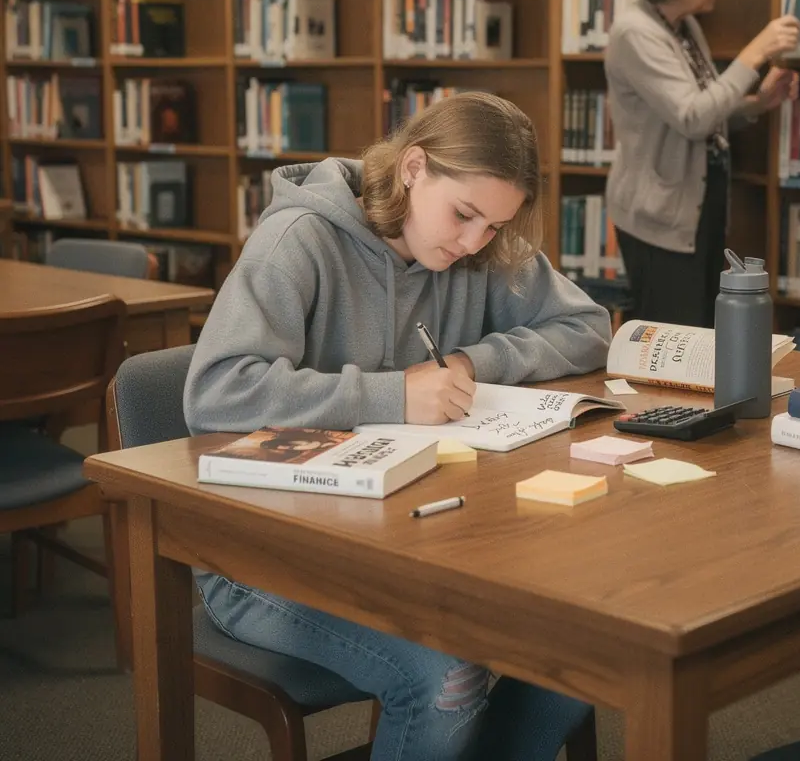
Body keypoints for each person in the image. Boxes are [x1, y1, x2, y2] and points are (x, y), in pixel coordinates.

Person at [183, 91, 611, 761]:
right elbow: (216, 392)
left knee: (590, 643)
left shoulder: (473, 251)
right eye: (464, 215)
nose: (474, 242)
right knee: (448, 678)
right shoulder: (301, 238)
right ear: (414, 168)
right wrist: (394, 397)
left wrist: (478, 358)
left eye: (494, 228)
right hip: (261, 557)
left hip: (411, 536)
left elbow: (586, 327)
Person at [604, 0, 800, 328]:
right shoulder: (635, 32)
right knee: (675, 337)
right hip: (660, 216)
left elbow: (705, 110)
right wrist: (754, 53)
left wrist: (756, 105)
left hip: (695, 207)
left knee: (703, 333)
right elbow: (692, 118)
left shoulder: (683, 24)